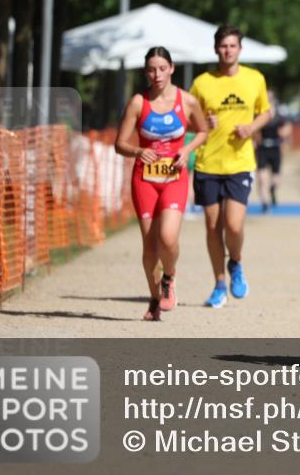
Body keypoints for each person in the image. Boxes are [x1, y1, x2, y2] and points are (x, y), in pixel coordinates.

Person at [114, 47, 208, 321]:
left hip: (174, 178)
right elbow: (119, 143)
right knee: (149, 246)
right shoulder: (137, 102)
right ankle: (155, 299)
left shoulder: (187, 101)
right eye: (151, 69)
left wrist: (187, 150)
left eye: (162, 68)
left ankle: (169, 277)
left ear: (172, 68)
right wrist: (137, 151)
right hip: (144, 179)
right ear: (146, 72)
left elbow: (203, 131)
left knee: (168, 238)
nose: (156, 75)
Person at [190, 24, 272, 308]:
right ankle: (219, 284)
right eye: (223, 46)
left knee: (233, 225)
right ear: (216, 49)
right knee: (213, 226)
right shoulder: (202, 83)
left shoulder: (254, 79)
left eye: (232, 46)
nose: (228, 51)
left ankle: (235, 263)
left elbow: (266, 112)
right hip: (208, 162)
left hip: (239, 162)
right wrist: (203, 122)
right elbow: (188, 117)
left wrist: (251, 127)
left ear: (240, 49)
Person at [254, 90, 292, 212]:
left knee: (276, 180)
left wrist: (284, 134)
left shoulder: (280, 115)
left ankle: (272, 190)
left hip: (275, 147)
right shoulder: (258, 114)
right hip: (262, 148)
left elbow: (287, 128)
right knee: (262, 177)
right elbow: (253, 129)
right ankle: (264, 202)